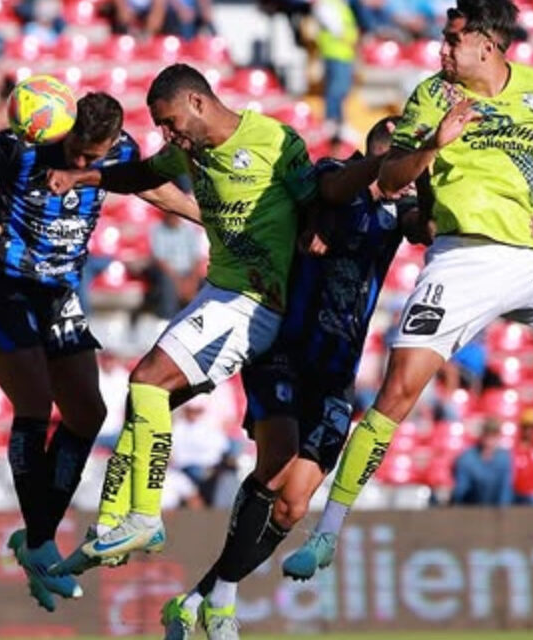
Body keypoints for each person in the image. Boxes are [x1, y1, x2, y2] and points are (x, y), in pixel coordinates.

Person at [285, 0, 533, 577]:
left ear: (486, 44)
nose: (442, 49)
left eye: (452, 40)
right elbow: (387, 179)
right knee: (395, 398)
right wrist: (434, 144)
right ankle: (326, 533)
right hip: (458, 262)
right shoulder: (432, 96)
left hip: (526, 258)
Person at [43, 63, 317, 575]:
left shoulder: (274, 141)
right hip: (220, 292)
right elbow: (143, 175)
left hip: (254, 300)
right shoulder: (187, 150)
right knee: (148, 399)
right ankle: (109, 525)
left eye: (169, 122)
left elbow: (316, 209)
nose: (166, 134)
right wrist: (84, 175)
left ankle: (145, 516)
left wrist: (307, 263)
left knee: (146, 381)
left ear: (197, 102)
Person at [158, 117, 420, 638]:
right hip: (283, 347)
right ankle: (224, 604)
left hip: (335, 369)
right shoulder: (330, 178)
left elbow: (425, 226)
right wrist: (319, 219)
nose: (412, 178)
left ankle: (195, 600)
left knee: (294, 502)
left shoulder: (403, 210)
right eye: (405, 164)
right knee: (275, 461)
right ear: (378, 158)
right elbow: (327, 191)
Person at [0, 91, 197, 612]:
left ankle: (35, 539)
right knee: (35, 402)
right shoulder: (18, 149)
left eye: (93, 157)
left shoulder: (121, 152)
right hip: (3, 287)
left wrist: (215, 222)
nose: (83, 164)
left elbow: (161, 193)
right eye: (77, 153)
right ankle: (39, 545)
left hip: (58, 292)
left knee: (88, 411)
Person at [314, 0, 359, 150]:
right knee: (336, 89)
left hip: (344, 54)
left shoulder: (340, 5)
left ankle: (339, 122)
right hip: (335, 53)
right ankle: (332, 122)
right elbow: (337, 29)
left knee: (342, 89)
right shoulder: (328, 5)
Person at [145, 212, 204, 319]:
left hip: (187, 273)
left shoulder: (188, 230)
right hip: (169, 273)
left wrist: (192, 282)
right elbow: (160, 259)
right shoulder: (157, 229)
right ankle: (168, 318)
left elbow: (196, 258)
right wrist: (178, 282)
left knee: (208, 283)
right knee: (167, 283)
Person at [450, 420, 514, 506]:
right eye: (487, 434)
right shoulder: (467, 457)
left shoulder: (504, 458)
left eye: (493, 435)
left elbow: (505, 489)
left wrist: (503, 512)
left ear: (498, 436)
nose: (490, 438)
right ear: (482, 435)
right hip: (471, 507)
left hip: (495, 509)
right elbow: (461, 489)